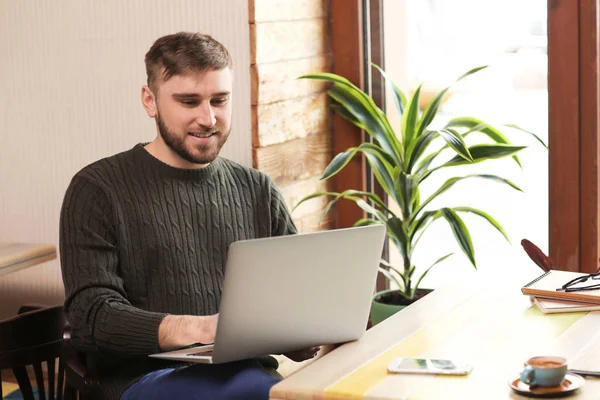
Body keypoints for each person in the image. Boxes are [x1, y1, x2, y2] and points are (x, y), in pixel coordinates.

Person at [59, 32, 318, 400]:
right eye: (189, 101)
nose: (208, 118)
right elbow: (92, 317)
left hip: (249, 376)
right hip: (144, 381)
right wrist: (203, 329)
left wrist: (304, 334)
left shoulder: (258, 190)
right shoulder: (97, 189)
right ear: (150, 101)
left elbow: (292, 297)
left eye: (219, 100)